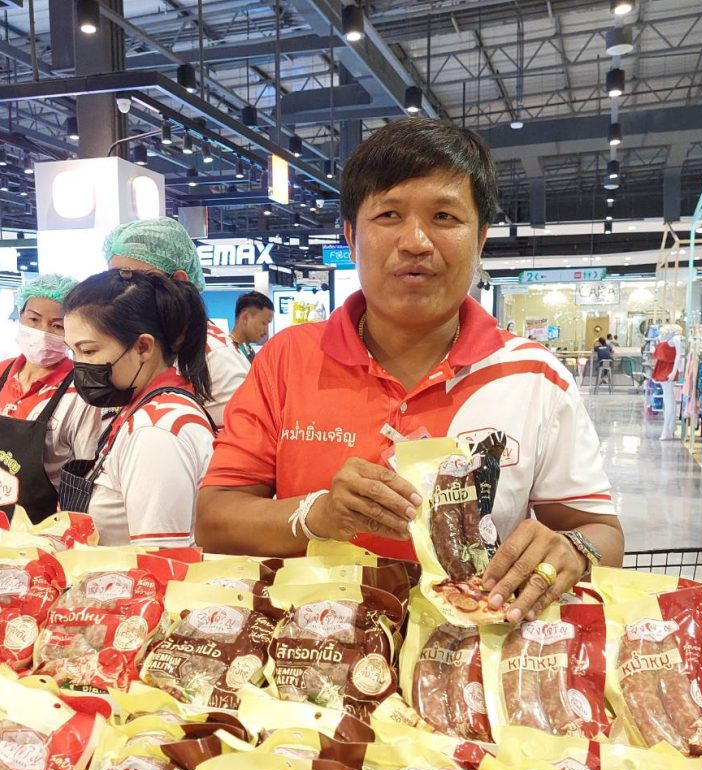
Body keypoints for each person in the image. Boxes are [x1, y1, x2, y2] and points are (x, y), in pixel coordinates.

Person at [196, 118, 623, 624]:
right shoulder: (286, 359)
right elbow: (215, 519)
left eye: (444, 216)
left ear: (480, 238)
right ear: (352, 236)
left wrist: (571, 549)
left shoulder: (534, 377)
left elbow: (602, 533)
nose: (416, 241)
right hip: (314, 648)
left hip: (473, 650)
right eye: (389, 214)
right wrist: (317, 514)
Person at [59, 270, 214, 547]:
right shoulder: (140, 410)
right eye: (73, 352)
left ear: (143, 347)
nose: (79, 365)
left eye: (89, 351)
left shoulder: (156, 432)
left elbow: (158, 559)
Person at [0, 274, 103, 523]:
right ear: (20, 315)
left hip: (44, 531)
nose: (43, 332)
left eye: (57, 326)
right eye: (33, 319)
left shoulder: (79, 390)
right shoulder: (0, 373)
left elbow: (85, 480)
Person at [103, 218, 249, 427]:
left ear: (179, 280)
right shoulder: (143, 339)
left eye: (132, 280)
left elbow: (231, 439)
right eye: (114, 279)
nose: (120, 292)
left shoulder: (216, 358)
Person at [230, 291, 274, 363]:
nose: (265, 332)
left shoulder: (248, 351)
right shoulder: (228, 353)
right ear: (245, 318)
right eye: (264, 323)